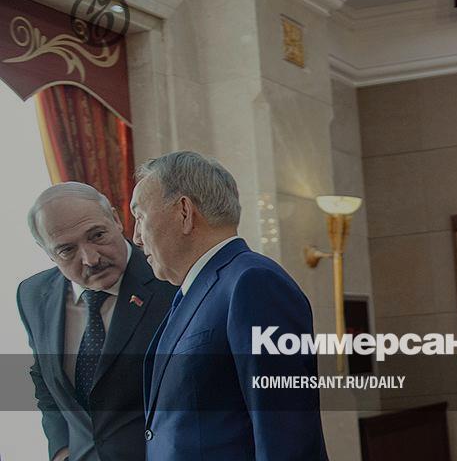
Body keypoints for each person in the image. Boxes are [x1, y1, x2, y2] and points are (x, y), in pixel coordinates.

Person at [131, 151, 327, 460]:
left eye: (140, 217)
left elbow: (286, 432)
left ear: (184, 211)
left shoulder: (254, 283)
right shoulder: (196, 290)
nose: (136, 237)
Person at [17, 182, 177, 461]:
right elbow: (44, 378)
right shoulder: (33, 295)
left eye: (98, 235)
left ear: (116, 219)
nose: (91, 259)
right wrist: (61, 450)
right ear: (47, 252)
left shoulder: (172, 282)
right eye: (67, 250)